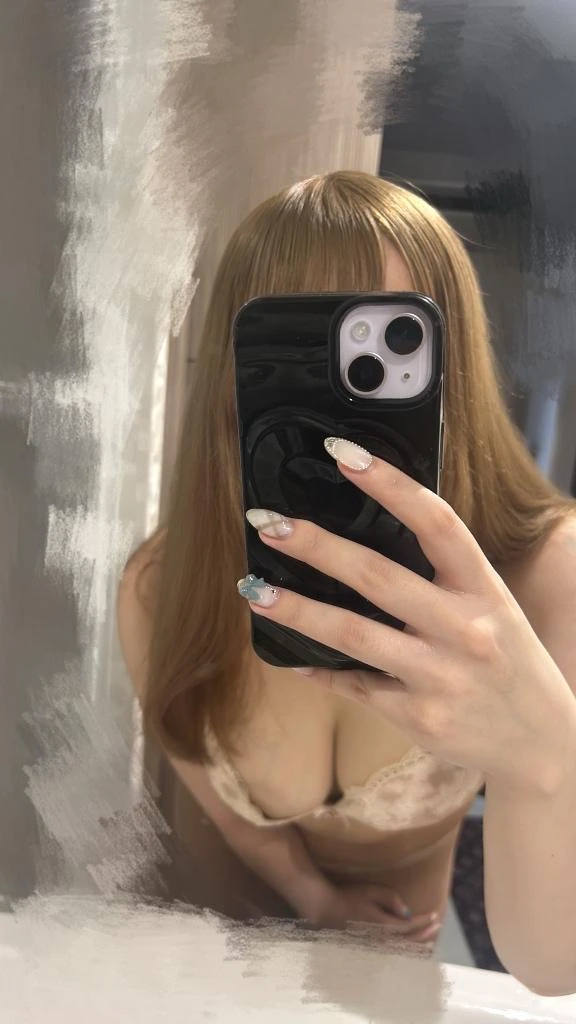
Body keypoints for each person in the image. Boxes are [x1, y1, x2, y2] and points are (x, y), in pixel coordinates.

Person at [117, 170, 576, 995]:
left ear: (453, 362)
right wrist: (314, 897)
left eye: (385, 350)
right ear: (236, 373)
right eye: (296, 361)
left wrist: (548, 756)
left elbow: (554, 967)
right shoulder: (162, 583)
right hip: (210, 944)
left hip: (390, 965)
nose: (337, 415)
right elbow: (203, 785)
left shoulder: (548, 577)